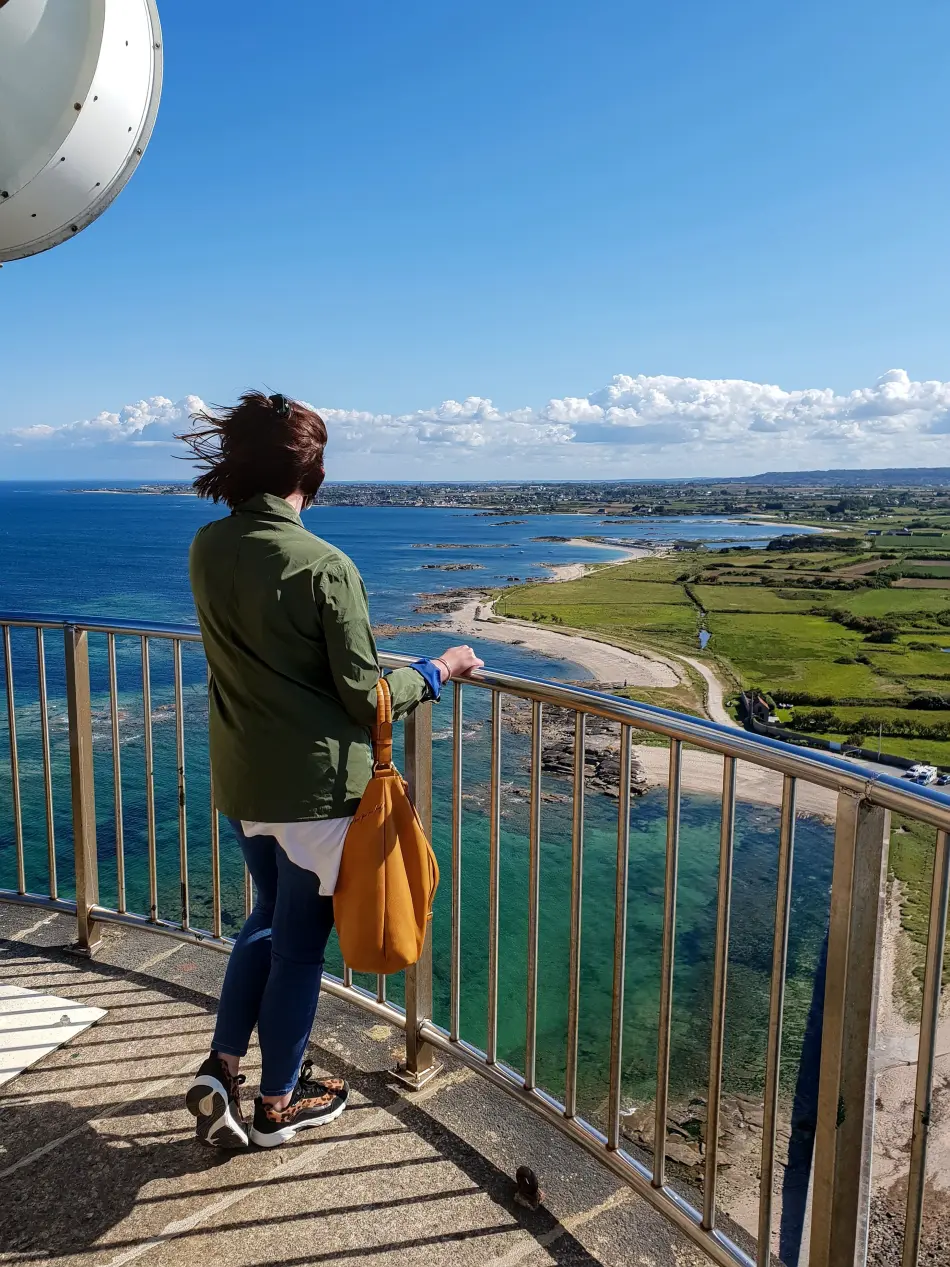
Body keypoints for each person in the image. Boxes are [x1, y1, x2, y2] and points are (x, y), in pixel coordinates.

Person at [178, 391, 483, 1149]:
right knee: (299, 948)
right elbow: (364, 696)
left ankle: (222, 1066)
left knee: (265, 917)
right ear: (310, 472)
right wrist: (438, 669)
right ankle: (278, 1103)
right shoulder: (325, 565)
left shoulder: (208, 546)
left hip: (244, 781)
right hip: (316, 792)